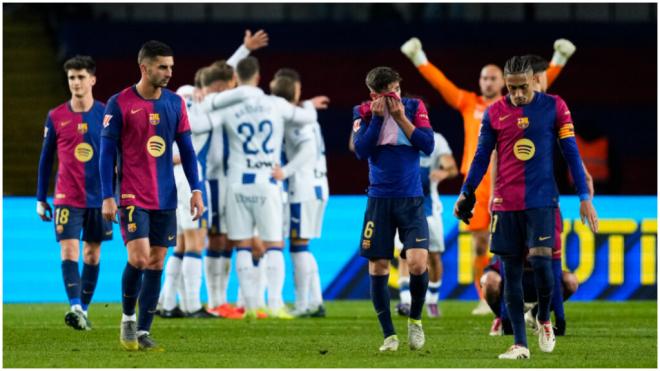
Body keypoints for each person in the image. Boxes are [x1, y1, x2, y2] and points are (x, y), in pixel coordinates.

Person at [401, 37, 577, 315]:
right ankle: (484, 296)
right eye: (484, 78)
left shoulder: (518, 104)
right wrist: (419, 58)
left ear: (503, 81)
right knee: (481, 243)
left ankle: (518, 299)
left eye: (493, 78)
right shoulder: (470, 104)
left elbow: (541, 87)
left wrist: (558, 62)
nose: (488, 82)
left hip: (513, 181)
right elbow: (442, 85)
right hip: (479, 184)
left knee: (517, 245)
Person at [454, 56, 598, 360]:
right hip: (506, 204)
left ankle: (544, 318)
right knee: (512, 272)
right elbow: (481, 157)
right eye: (511, 88)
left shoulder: (555, 107)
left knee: (546, 266)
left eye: (522, 87)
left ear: (534, 80)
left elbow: (571, 152)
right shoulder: (494, 113)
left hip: (542, 201)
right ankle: (520, 343)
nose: (517, 94)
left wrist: (584, 195)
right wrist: (467, 192)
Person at [199, 56, 328, 319]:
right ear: (258, 77)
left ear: (237, 78)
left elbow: (200, 120)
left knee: (244, 246)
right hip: (267, 182)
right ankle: (275, 303)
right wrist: (308, 105)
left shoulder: (228, 108)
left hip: (237, 183)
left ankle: (250, 306)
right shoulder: (276, 104)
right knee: (273, 246)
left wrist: (206, 99)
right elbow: (305, 117)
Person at [100, 40, 204, 351]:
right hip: (132, 194)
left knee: (157, 262)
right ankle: (128, 318)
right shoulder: (118, 103)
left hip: (166, 196)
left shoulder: (175, 103)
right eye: (163, 67)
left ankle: (143, 331)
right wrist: (108, 196)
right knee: (139, 257)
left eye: (171, 66)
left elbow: (187, 151)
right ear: (144, 68)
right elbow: (106, 155)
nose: (169, 72)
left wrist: (196, 190)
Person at [353, 66, 434, 352]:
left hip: (411, 199)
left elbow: (427, 145)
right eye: (390, 93)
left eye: (398, 90)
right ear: (374, 95)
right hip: (379, 200)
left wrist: (400, 118)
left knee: (417, 262)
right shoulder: (362, 111)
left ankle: (415, 320)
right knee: (378, 266)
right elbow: (361, 150)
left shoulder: (414, 107)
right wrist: (377, 119)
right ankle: (389, 335)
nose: (396, 97)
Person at [36, 55, 112, 331]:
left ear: (92, 79)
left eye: (81, 77)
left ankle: (84, 310)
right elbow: (46, 159)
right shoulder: (56, 116)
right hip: (67, 196)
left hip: (98, 197)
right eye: (71, 77)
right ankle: (75, 306)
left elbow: (118, 157)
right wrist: (40, 198)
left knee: (92, 255)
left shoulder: (106, 115)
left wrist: (115, 195)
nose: (76, 82)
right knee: (68, 250)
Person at [270, 69, 329, 318]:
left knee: (298, 247)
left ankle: (304, 305)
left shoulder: (295, 120)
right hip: (316, 186)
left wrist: (285, 171)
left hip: (303, 189)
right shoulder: (304, 114)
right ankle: (315, 302)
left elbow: (306, 150)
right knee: (303, 247)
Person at [395, 130, 457, 318]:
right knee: (404, 254)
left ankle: (432, 299)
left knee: (434, 256)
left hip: (429, 207)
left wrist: (444, 172)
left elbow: (453, 168)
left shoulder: (436, 140)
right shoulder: (397, 137)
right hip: (403, 205)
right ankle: (406, 301)